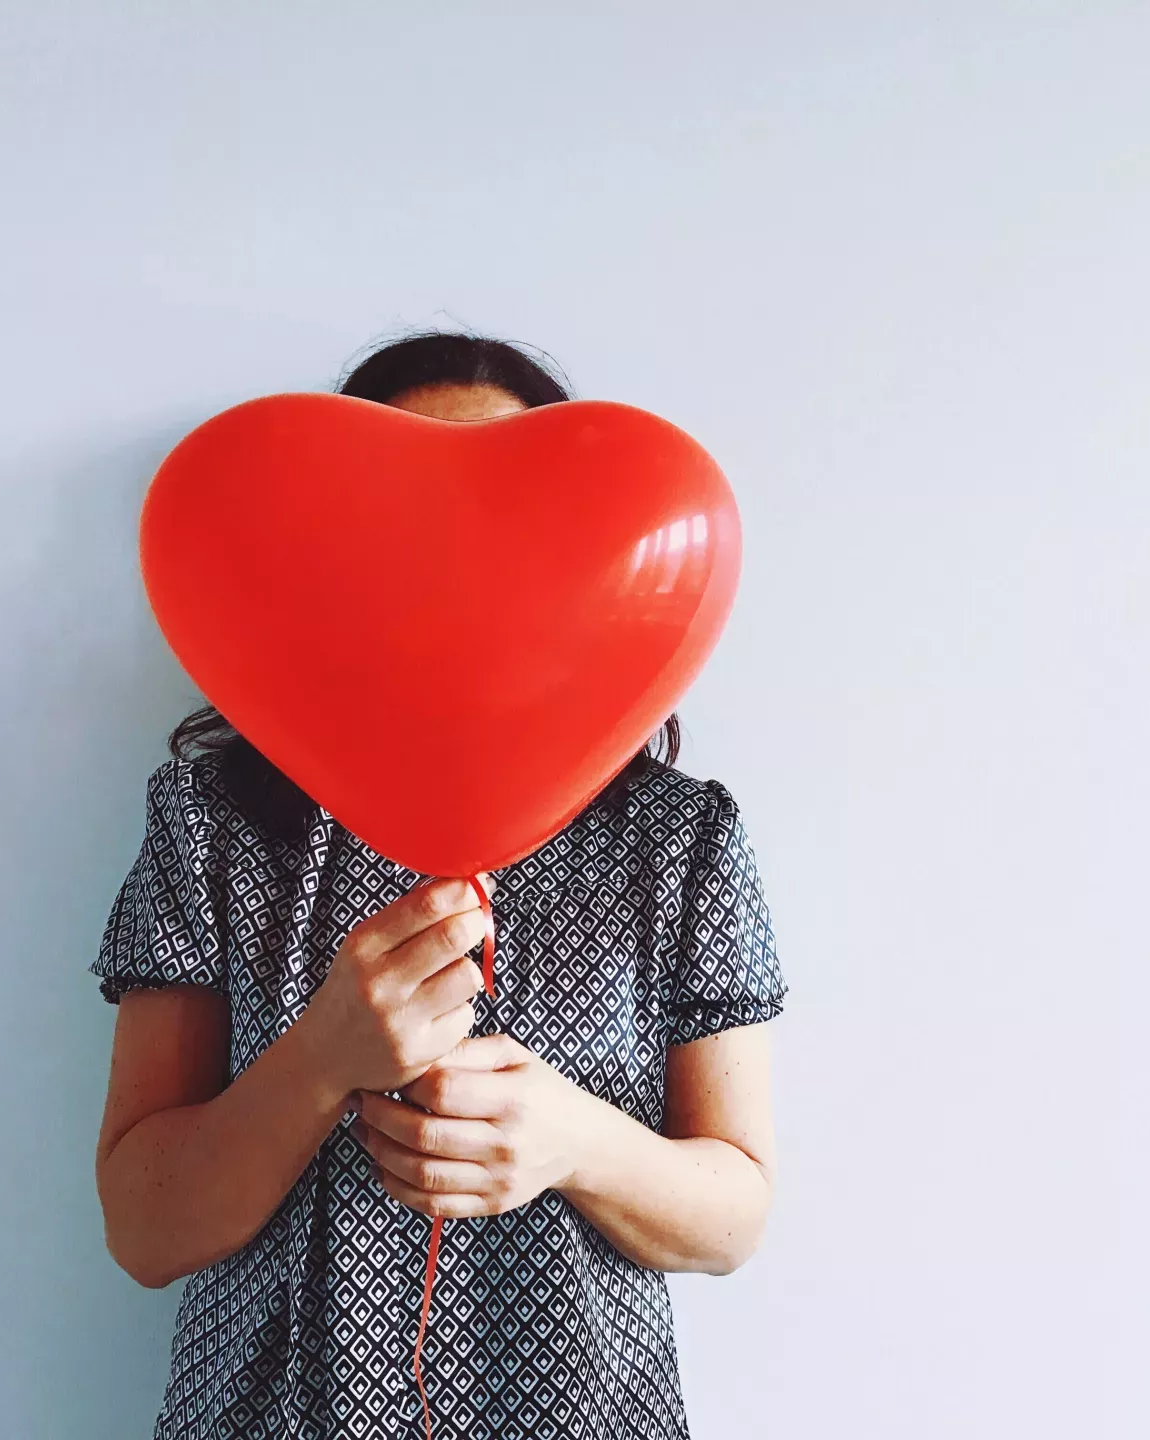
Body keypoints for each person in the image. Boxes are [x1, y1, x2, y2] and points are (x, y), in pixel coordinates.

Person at [90, 330, 787, 1440]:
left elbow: (734, 1218)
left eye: (508, 525)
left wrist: (576, 1143)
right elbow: (143, 1229)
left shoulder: (676, 839)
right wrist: (321, 1060)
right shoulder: (216, 823)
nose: (462, 565)